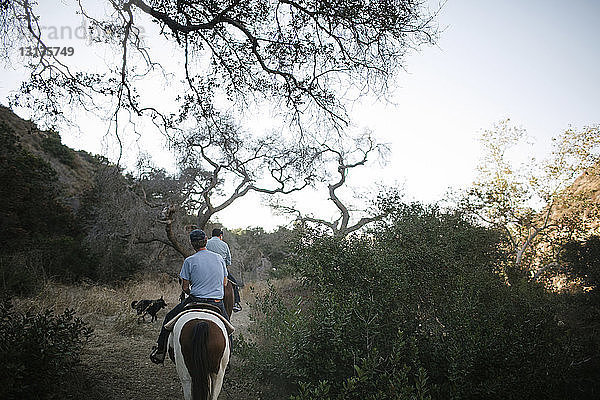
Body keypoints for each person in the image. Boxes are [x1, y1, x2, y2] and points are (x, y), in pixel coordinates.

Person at [149, 229, 229, 364]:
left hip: (195, 300)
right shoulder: (219, 259)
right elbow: (225, 283)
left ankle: (160, 350)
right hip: (216, 302)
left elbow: (185, 287)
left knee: (169, 318)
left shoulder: (189, 261)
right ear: (206, 241)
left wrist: (192, 291)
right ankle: (228, 358)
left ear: (192, 244)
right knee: (228, 329)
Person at [206, 228, 242, 312]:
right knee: (234, 283)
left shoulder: (206, 243)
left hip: (207, 270)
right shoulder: (224, 245)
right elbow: (228, 261)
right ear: (221, 236)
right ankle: (236, 303)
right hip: (221, 270)